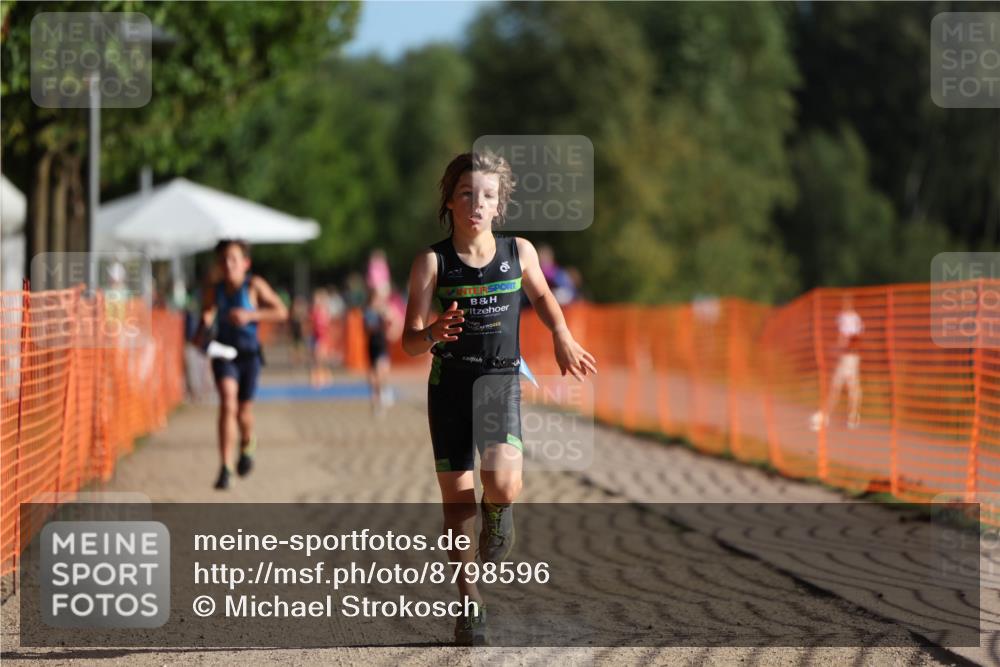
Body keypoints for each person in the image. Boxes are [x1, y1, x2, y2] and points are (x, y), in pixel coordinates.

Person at [402, 151, 597, 645]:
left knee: (503, 483)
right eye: (466, 193)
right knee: (456, 499)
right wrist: (432, 332)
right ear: (450, 199)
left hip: (499, 382)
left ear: (499, 205)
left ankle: (499, 511)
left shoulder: (519, 251)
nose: (476, 203)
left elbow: (544, 298)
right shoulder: (432, 261)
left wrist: (561, 335)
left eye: (487, 195)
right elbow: (407, 341)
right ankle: (470, 604)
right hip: (449, 386)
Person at [197, 240, 288, 490]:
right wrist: (205, 324)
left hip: (249, 356)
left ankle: (248, 442)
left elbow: (282, 311)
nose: (228, 265)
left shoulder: (254, 286)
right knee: (227, 401)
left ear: (245, 263)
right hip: (224, 354)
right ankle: (225, 467)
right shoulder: (214, 289)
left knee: (243, 413)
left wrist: (251, 315)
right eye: (223, 260)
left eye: (233, 259)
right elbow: (204, 319)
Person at [811, 293, 864, 431]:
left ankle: (842, 416)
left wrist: (843, 345)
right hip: (845, 357)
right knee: (842, 386)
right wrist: (836, 348)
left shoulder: (855, 318)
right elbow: (839, 337)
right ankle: (839, 416)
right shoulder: (841, 317)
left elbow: (855, 339)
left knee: (845, 386)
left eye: (847, 301)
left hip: (850, 357)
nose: (845, 304)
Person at [363, 287, 395, 415]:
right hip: (374, 344)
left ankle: (383, 392)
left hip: (382, 343)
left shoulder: (382, 310)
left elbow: (391, 322)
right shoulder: (369, 312)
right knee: (376, 372)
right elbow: (368, 329)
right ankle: (377, 398)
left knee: (383, 370)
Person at [308, 288, 332, 386]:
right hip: (315, 337)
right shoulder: (314, 312)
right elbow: (311, 325)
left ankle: (324, 376)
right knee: (316, 359)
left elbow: (326, 326)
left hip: (322, 338)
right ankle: (317, 377)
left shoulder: (325, 312)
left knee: (321, 359)